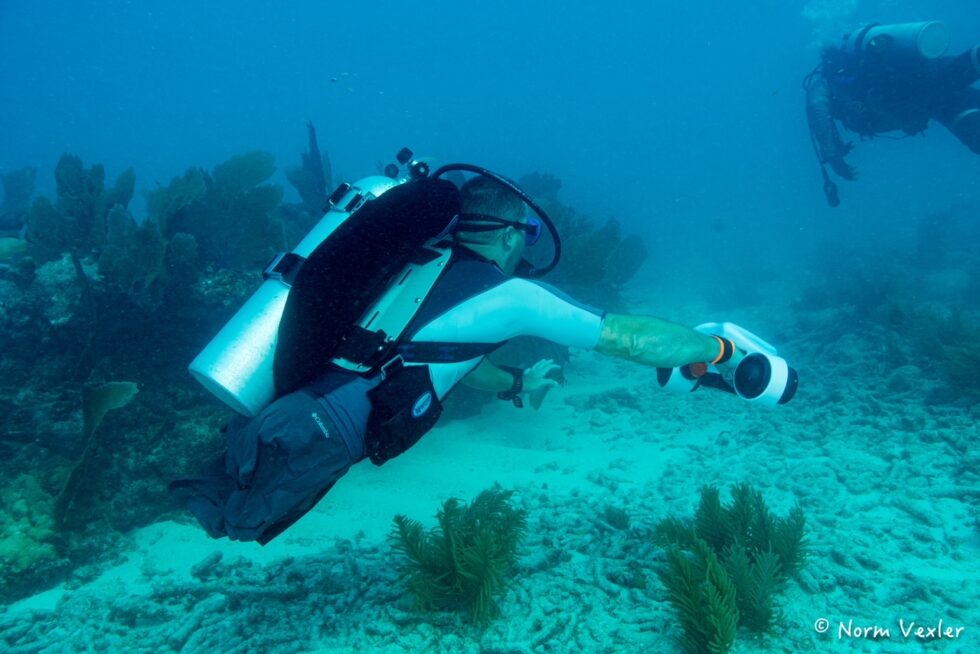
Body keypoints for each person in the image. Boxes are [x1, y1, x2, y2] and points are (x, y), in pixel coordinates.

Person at [170, 174, 759, 545]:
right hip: (312, 439)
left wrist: (515, 385)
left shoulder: (417, 267)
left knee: (204, 497)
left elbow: (435, 361)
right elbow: (625, 338)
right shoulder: (513, 296)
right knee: (233, 526)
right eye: (526, 236)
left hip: (281, 415)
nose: (523, 252)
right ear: (508, 233)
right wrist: (721, 350)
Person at [804, 21, 980, 206]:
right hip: (927, 98)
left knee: (938, 90)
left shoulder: (823, 84)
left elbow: (819, 116)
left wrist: (833, 157)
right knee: (941, 83)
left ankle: (972, 60)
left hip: (912, 106)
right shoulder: (863, 65)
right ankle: (973, 59)